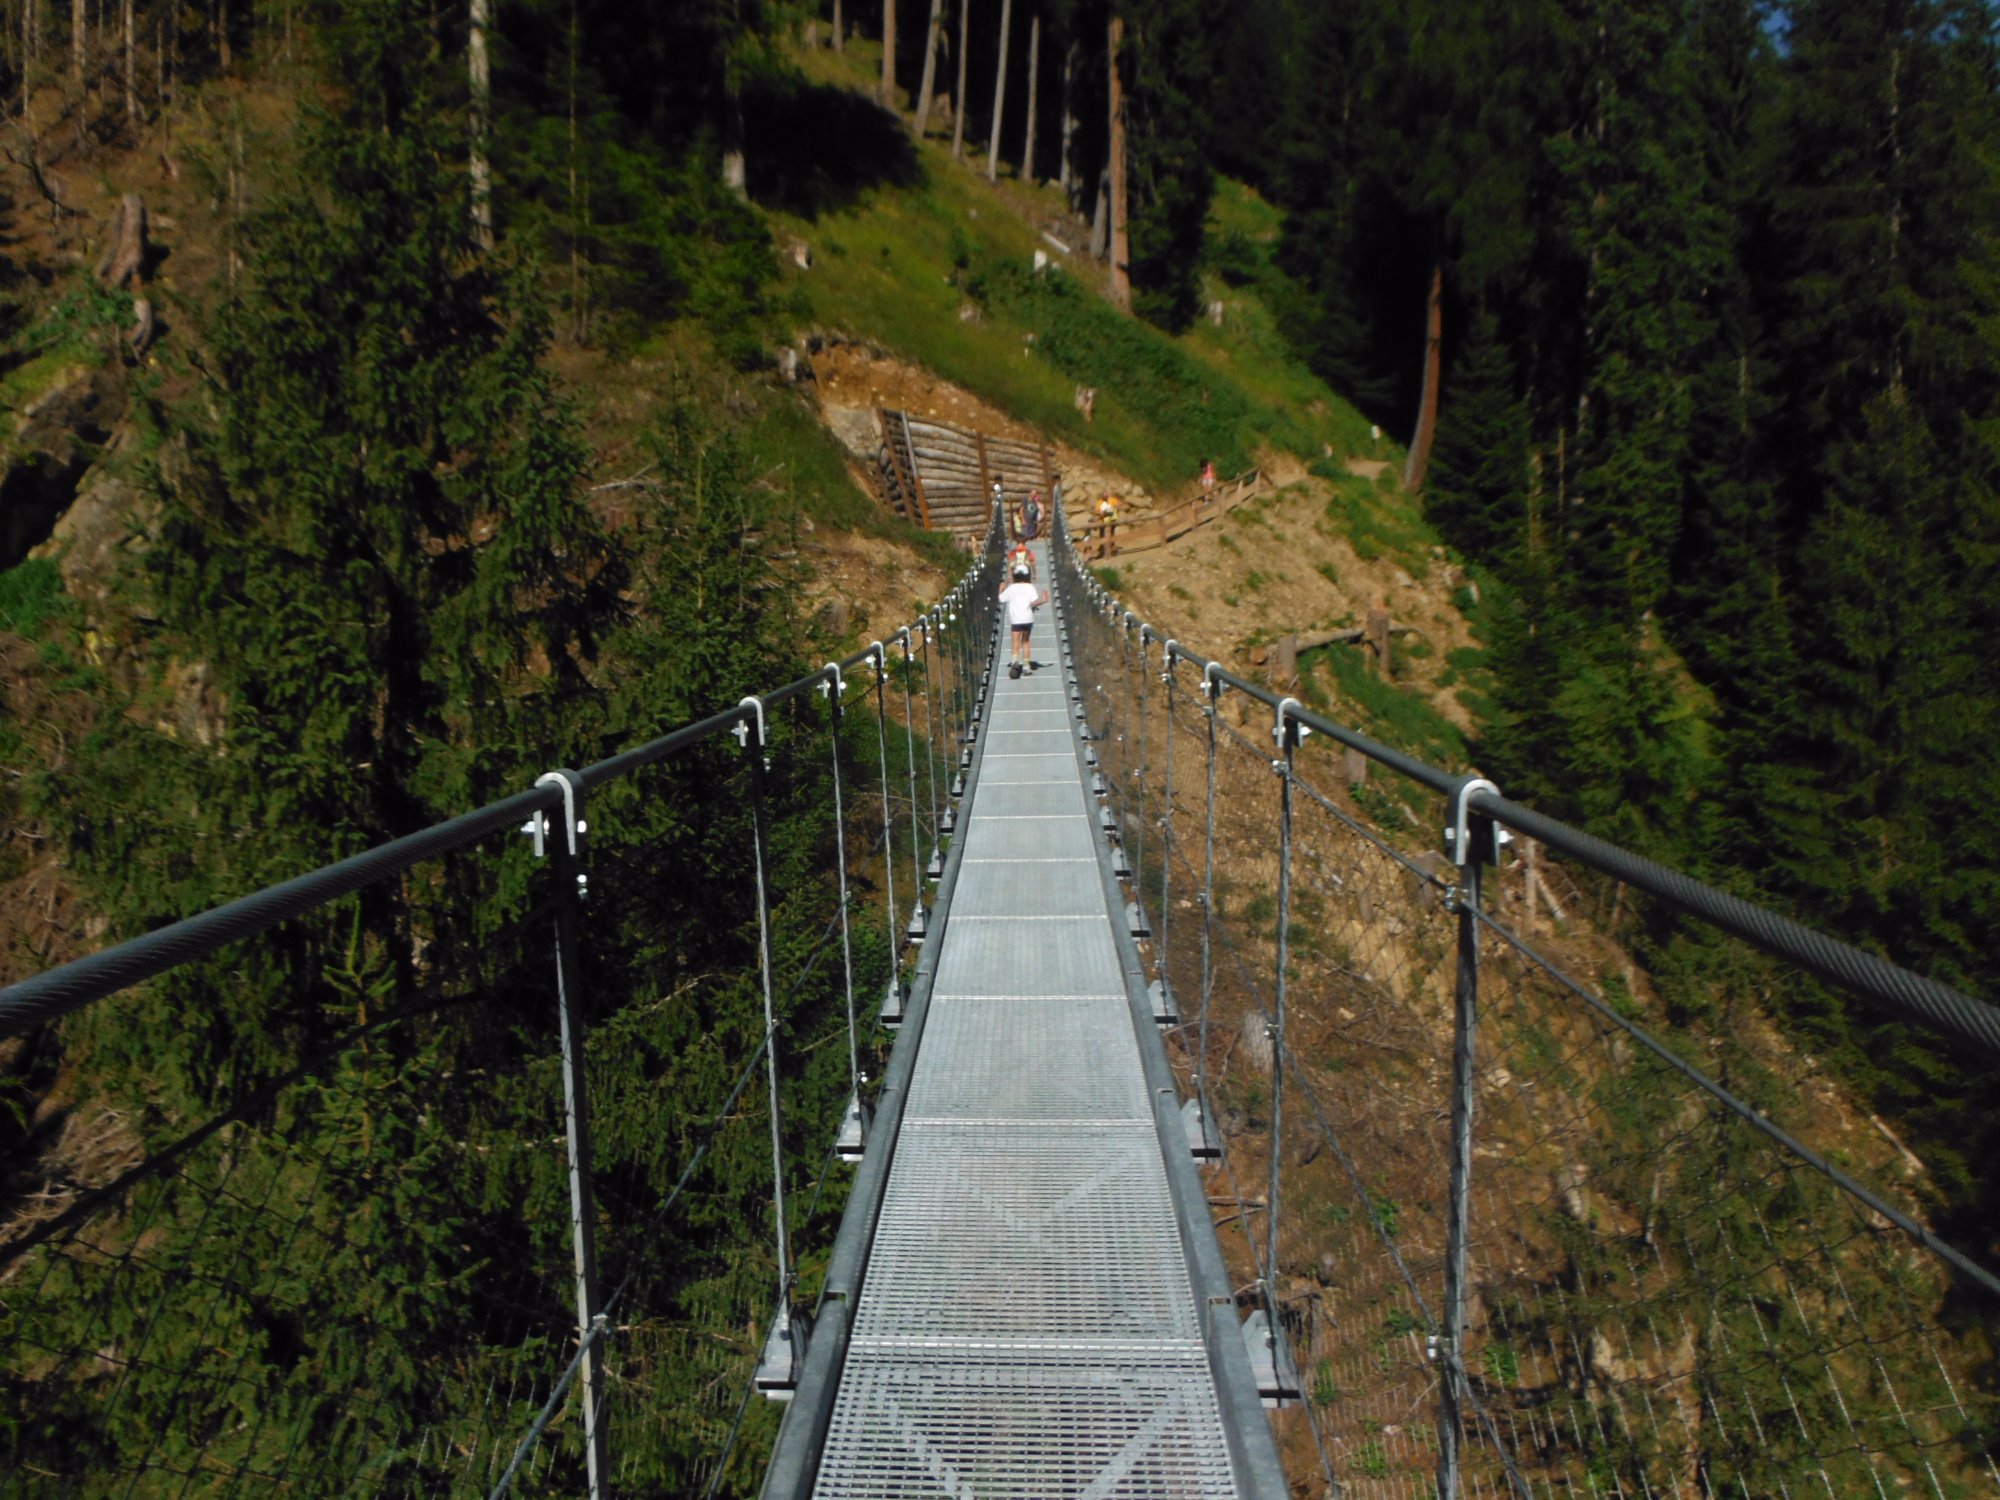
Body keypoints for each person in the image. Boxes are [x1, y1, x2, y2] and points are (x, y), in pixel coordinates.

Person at [998, 563, 1046, 678]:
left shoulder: (1011, 588)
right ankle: (1026, 666)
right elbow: (1033, 603)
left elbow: (1001, 599)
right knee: (1026, 641)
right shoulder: (1030, 587)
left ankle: (1015, 660)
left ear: (1015, 575)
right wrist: (1042, 600)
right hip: (1028, 618)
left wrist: (1001, 588)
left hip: (1016, 619)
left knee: (1015, 641)